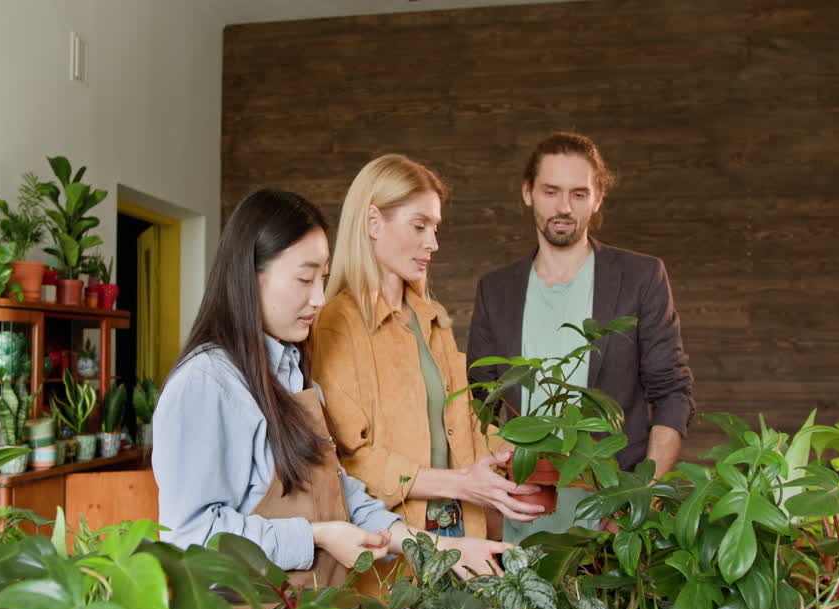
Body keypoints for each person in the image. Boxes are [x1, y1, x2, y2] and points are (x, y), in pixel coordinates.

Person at [154, 187, 512, 586]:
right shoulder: (207, 384)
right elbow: (190, 538)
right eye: (305, 279)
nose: (319, 298)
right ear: (248, 275)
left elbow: (343, 494)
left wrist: (444, 548)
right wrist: (316, 535)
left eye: (322, 278)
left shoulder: (293, 372)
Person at [310, 155, 546, 571]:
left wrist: (529, 455)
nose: (432, 243)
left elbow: (466, 427)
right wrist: (465, 484)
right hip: (394, 546)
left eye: (435, 228)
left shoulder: (431, 318)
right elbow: (350, 464)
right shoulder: (335, 325)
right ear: (372, 222)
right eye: (419, 226)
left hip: (461, 532)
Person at [467, 131, 694, 542]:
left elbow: (673, 394)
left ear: (598, 198)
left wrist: (640, 496)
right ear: (527, 193)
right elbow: (475, 405)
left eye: (578, 193)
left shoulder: (640, 278)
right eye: (551, 191)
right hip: (521, 516)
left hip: (612, 516)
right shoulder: (496, 290)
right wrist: (490, 506)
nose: (564, 207)